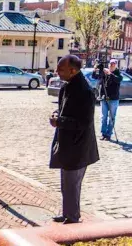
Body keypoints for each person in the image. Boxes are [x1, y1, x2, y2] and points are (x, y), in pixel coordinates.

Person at [49, 55, 99, 224]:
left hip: (78, 146)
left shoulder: (85, 91)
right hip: (68, 144)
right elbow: (63, 110)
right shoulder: (67, 87)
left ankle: (73, 217)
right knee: (66, 183)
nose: (57, 72)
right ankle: (67, 213)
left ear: (73, 70)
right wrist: (57, 115)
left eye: (60, 69)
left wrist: (59, 121)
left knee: (72, 184)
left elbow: (84, 122)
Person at [92, 59, 123, 141]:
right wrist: (95, 70)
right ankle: (103, 133)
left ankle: (109, 134)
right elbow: (94, 77)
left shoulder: (118, 74)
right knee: (103, 117)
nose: (112, 65)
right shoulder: (104, 73)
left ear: (116, 65)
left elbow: (118, 80)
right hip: (104, 97)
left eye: (113, 64)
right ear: (109, 65)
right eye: (110, 64)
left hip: (113, 99)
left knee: (112, 117)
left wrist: (110, 74)